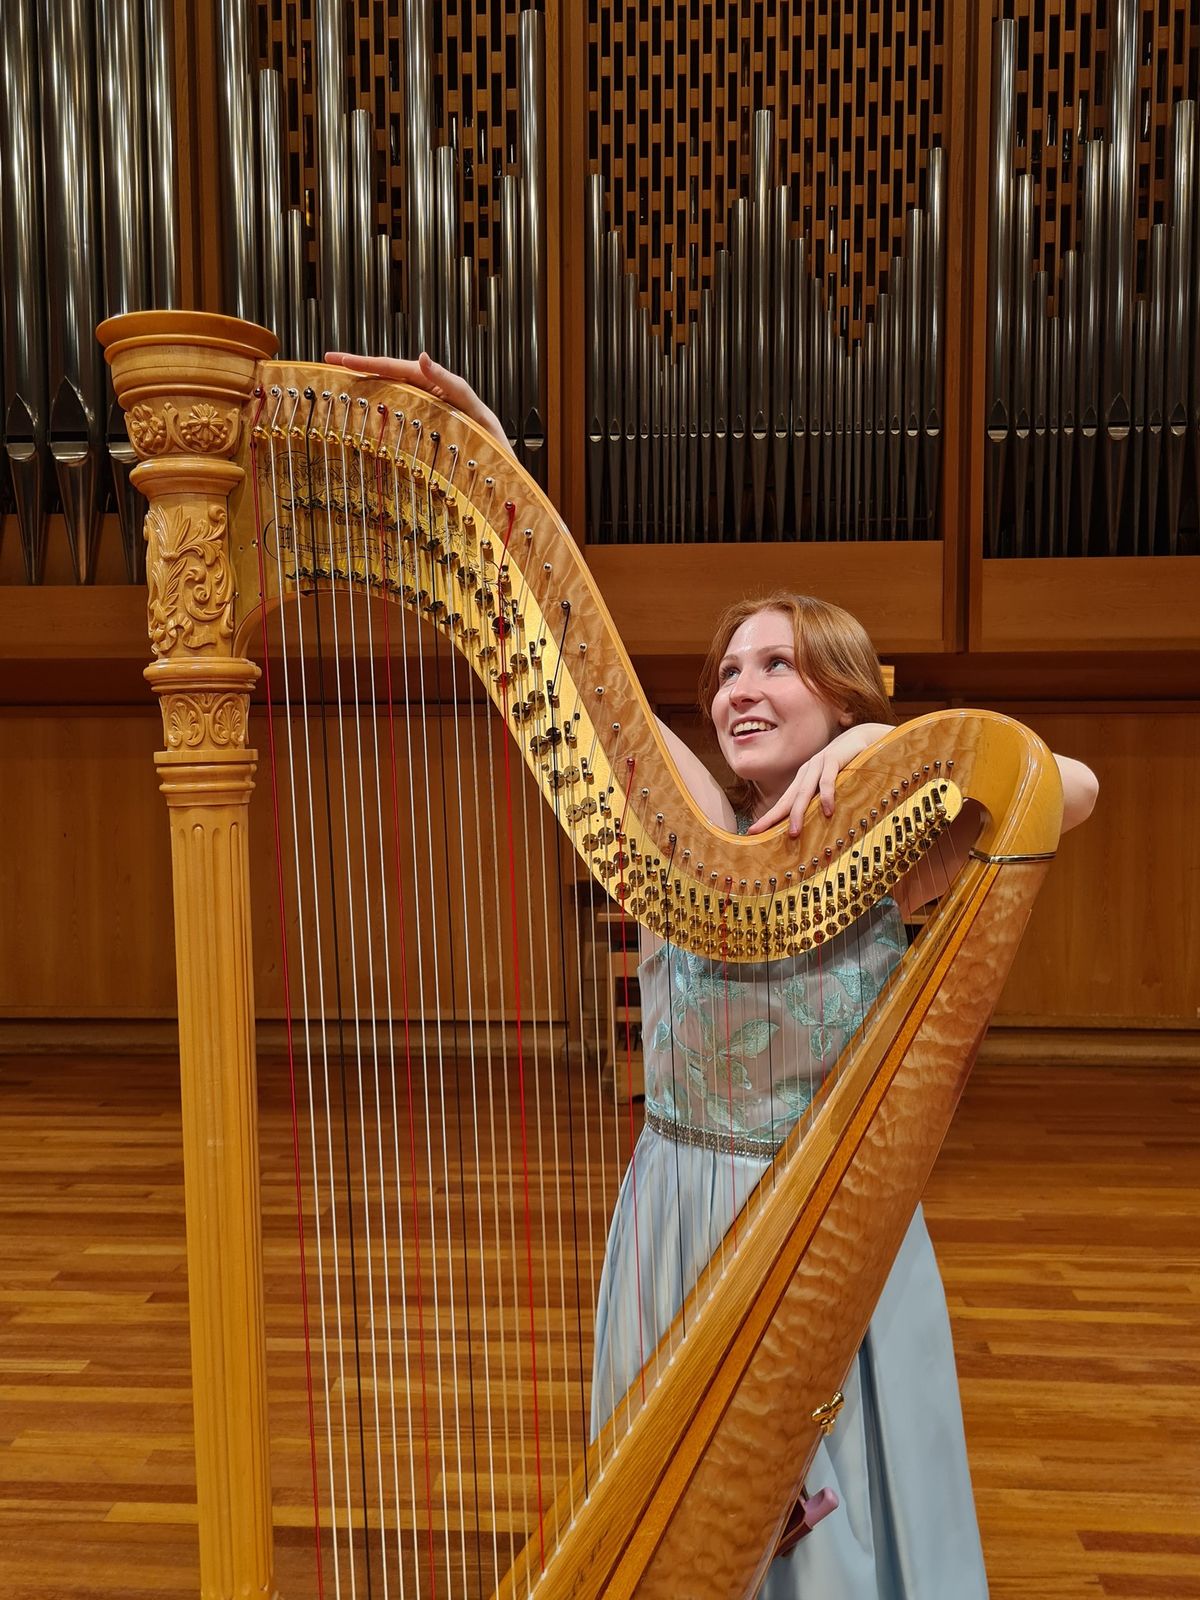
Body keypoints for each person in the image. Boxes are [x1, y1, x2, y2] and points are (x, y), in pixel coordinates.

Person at [325, 349, 1100, 1597]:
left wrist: (892, 748)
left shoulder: (894, 843)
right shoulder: (683, 827)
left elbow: (1070, 789)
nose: (742, 685)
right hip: (671, 1212)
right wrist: (497, 473)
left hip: (813, 1228)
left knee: (823, 1545)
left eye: (777, 663)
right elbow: (582, 655)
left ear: (838, 691)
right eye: (729, 668)